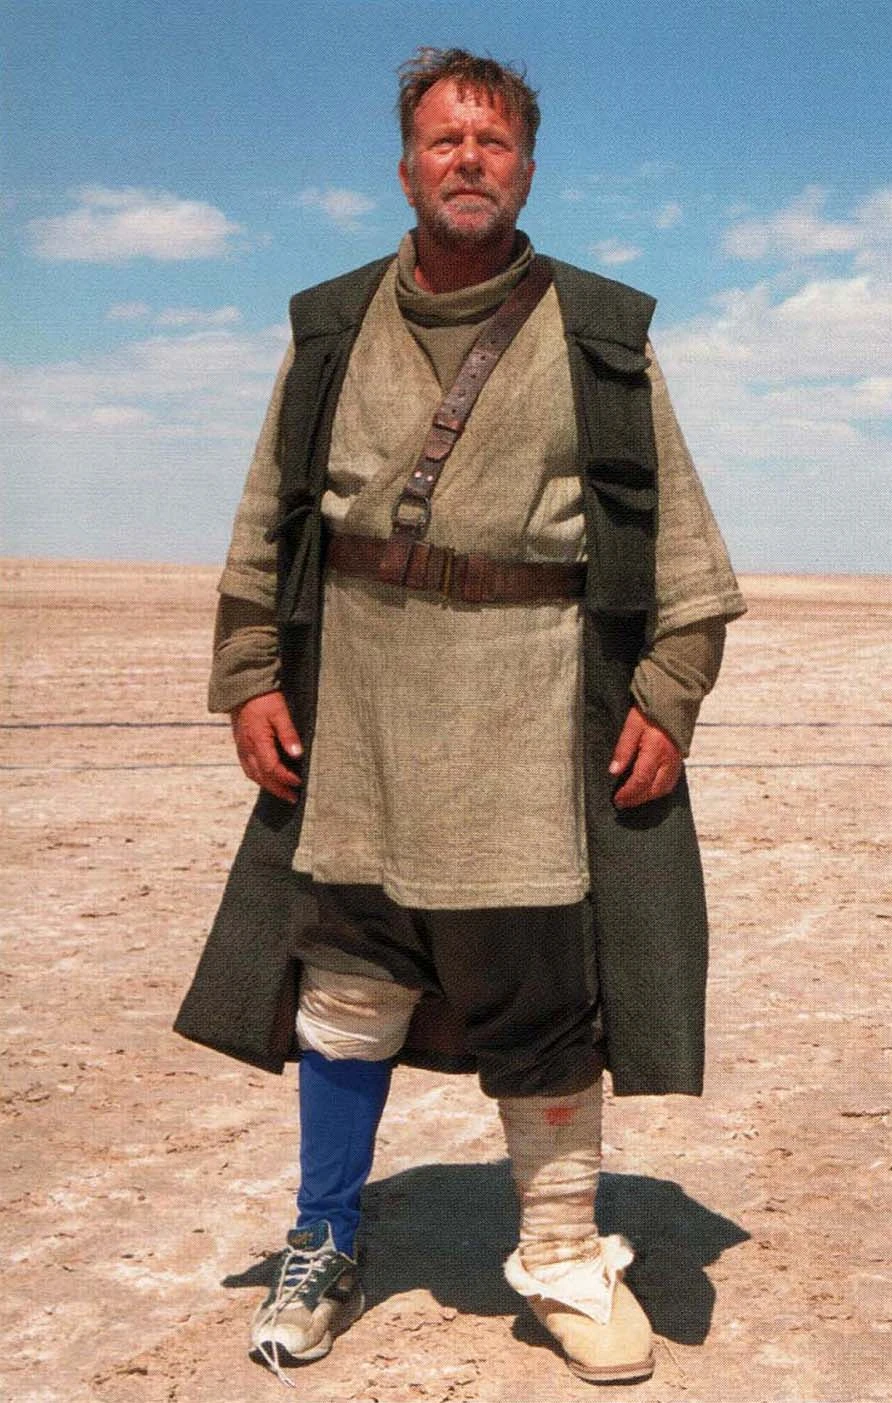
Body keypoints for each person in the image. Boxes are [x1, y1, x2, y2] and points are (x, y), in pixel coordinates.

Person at [175, 46, 745, 1386]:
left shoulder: (600, 334)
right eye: (446, 139)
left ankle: (560, 1253)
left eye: (493, 142)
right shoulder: (330, 329)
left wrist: (668, 693)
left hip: (530, 715)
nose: (469, 160)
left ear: (527, 169)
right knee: (347, 980)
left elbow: (684, 546)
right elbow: (266, 517)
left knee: (543, 986)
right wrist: (250, 669)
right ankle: (325, 1238)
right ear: (406, 167)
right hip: (358, 711)